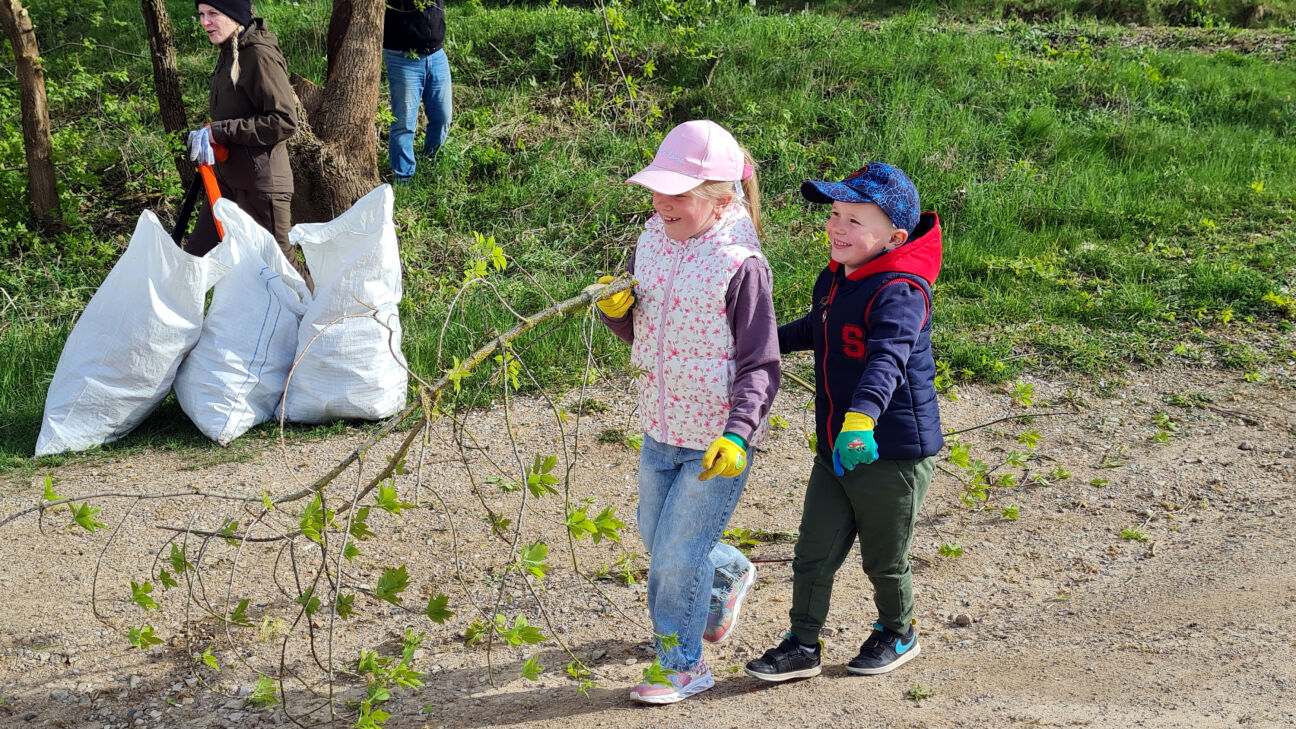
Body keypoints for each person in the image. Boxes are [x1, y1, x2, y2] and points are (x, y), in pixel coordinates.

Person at [591, 120, 779, 704]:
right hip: (660, 425)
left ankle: (683, 665)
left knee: (674, 557)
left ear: (720, 197)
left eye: (676, 194)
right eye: (657, 189)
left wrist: (738, 434)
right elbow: (646, 333)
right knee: (659, 537)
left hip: (714, 442)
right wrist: (618, 312)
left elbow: (761, 364)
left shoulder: (740, 264)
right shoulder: (653, 238)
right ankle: (726, 574)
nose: (660, 203)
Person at [744, 162, 943, 682]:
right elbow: (817, 328)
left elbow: (888, 360)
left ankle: (898, 631)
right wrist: (755, 343)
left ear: (894, 237)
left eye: (856, 220)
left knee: (884, 558)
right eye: (835, 213)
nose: (837, 226)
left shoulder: (902, 290)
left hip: (889, 450)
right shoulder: (837, 278)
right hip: (835, 445)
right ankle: (802, 644)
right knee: (813, 551)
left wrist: (861, 421)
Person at [185, 0, 308, 287]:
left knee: (282, 266)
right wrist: (207, 134)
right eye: (201, 14)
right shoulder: (229, 49)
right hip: (227, 181)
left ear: (235, 15)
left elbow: (284, 121)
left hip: (262, 184)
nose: (205, 22)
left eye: (213, 14)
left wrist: (222, 131)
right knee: (195, 259)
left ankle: (327, 324)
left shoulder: (257, 55)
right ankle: (167, 329)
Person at [382, 0, 452, 183]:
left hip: (437, 55)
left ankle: (430, 160)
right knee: (404, 123)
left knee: (443, 117)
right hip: (402, 57)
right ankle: (404, 178)